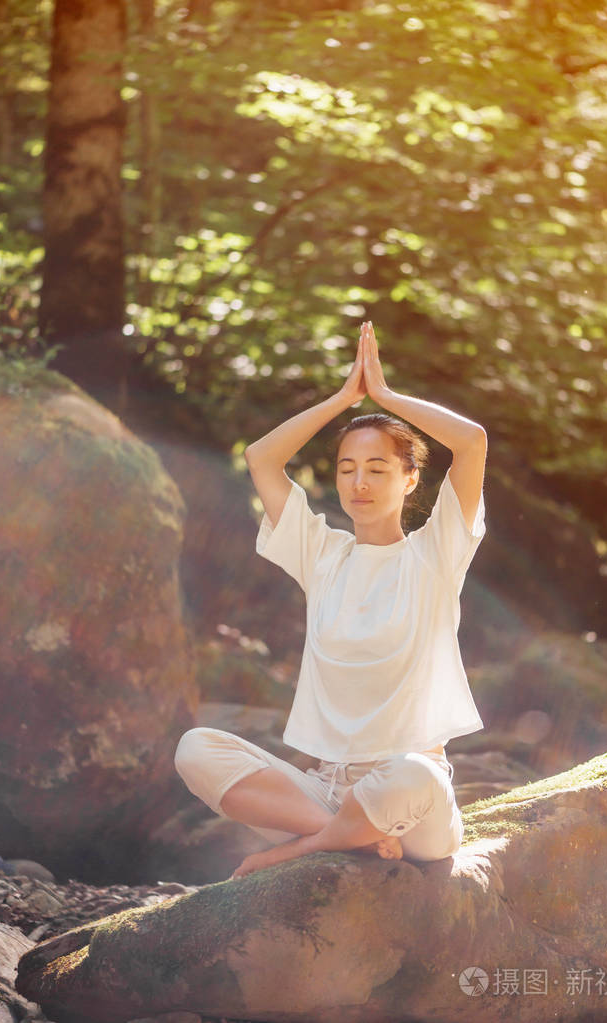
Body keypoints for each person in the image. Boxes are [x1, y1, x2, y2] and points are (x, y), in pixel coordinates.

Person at [174, 321, 487, 879]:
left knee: (411, 775)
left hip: (410, 805)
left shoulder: (435, 555)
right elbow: (263, 459)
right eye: (347, 469)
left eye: (376, 468)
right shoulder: (322, 555)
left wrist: (385, 398)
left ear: (411, 480)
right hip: (324, 790)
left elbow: (472, 442)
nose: (358, 483)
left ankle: (302, 848)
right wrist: (343, 399)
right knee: (197, 749)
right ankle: (348, 838)